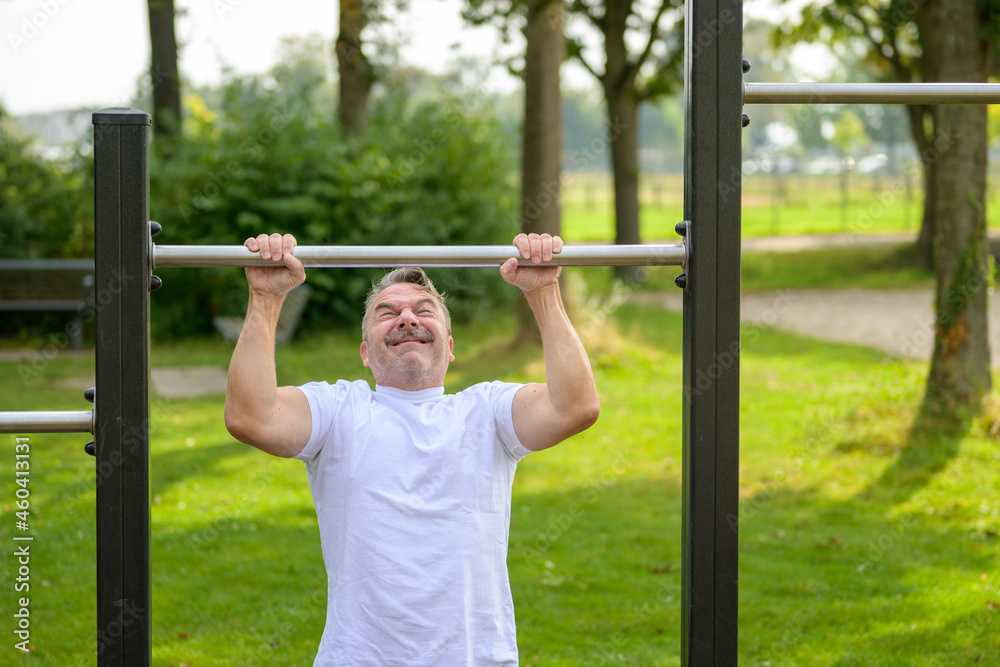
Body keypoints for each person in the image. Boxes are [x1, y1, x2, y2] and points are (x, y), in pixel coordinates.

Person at [224, 232, 600, 666]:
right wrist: (266, 297)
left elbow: (575, 407)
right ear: (365, 352)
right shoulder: (338, 410)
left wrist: (544, 292)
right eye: (388, 313)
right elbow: (251, 417)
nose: (407, 318)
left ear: (451, 347)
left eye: (424, 311)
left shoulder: (486, 411)